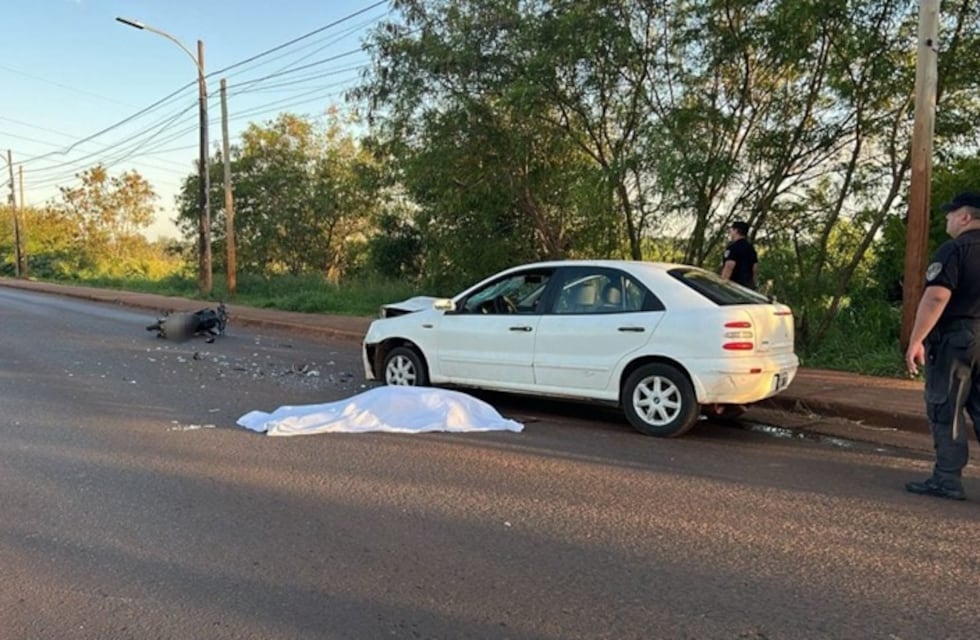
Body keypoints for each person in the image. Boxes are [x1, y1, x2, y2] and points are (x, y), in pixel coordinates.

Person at [904, 191, 980, 501]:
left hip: (957, 338)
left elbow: (936, 296)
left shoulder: (954, 250)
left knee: (946, 407)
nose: (947, 218)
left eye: (951, 213)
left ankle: (946, 479)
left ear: (965, 217)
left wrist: (916, 340)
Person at [720, 220, 758, 288]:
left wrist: (722, 285)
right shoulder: (751, 249)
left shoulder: (733, 248)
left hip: (732, 285)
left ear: (736, 231)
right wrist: (753, 284)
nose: (731, 232)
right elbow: (755, 268)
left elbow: (729, 267)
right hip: (745, 287)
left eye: (732, 230)